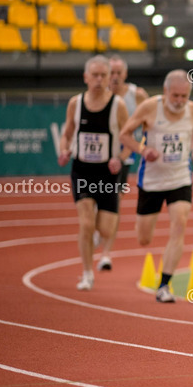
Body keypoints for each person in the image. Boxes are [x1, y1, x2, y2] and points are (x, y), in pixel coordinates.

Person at [119, 70, 193, 303]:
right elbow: (124, 134)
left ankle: (164, 285)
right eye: (175, 95)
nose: (179, 101)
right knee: (143, 238)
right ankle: (163, 282)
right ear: (166, 91)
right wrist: (142, 150)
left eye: (184, 96)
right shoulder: (149, 107)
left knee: (180, 224)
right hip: (152, 181)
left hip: (180, 178)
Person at [57, 55, 131, 291]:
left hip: (107, 173)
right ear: (86, 77)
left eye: (104, 75)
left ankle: (99, 242)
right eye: (95, 75)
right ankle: (87, 273)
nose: (99, 80)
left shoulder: (118, 105)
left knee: (106, 229)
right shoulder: (75, 103)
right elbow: (67, 133)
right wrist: (64, 150)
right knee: (86, 224)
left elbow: (129, 140)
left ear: (110, 78)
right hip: (82, 170)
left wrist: (119, 159)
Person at [94, 55, 150, 272]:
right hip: (98, 157)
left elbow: (149, 121)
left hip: (124, 156)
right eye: (112, 73)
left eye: (119, 73)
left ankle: (106, 254)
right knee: (93, 202)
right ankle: (98, 229)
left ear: (125, 74)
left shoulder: (137, 94)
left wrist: (143, 146)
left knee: (114, 203)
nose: (115, 77)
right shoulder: (98, 96)